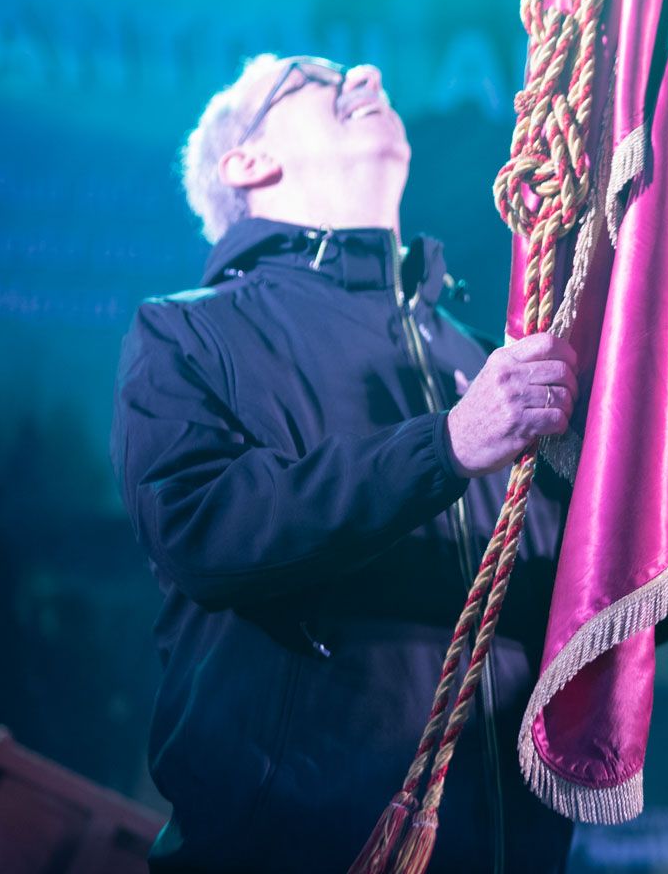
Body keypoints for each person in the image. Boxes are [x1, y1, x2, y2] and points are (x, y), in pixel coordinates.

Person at [111, 55, 579, 873]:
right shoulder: (186, 334)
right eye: (308, 78)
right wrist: (445, 446)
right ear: (247, 162)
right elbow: (201, 528)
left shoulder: (480, 360)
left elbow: (578, 602)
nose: (363, 73)